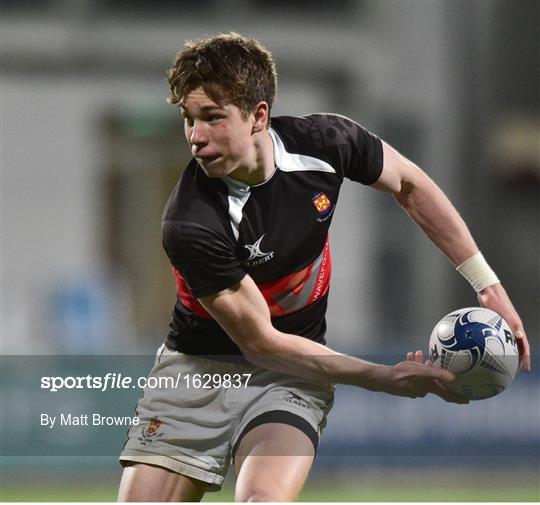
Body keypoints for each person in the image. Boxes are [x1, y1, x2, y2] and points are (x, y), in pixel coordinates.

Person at [117, 33, 530, 502]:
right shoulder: (190, 222)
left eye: (212, 117)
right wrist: (386, 378)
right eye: (188, 120)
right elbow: (260, 343)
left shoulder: (325, 142)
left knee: (262, 500)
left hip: (292, 371)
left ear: (258, 115)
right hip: (197, 371)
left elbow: (411, 185)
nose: (195, 136)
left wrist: (486, 283)